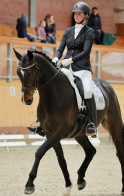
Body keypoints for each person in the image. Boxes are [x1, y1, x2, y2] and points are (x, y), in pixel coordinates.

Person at [28, 2, 97, 137]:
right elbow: (60, 48)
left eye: (79, 14)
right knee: (52, 87)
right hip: (66, 66)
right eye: (75, 14)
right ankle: (42, 122)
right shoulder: (68, 31)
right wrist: (55, 58)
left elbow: (85, 51)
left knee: (87, 91)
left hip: (82, 68)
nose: (76, 16)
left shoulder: (89, 32)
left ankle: (92, 123)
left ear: (86, 16)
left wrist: (70, 60)